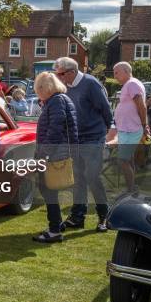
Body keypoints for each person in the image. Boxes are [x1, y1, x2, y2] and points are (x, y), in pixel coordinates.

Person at [54, 57, 112, 232]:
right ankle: (77, 217)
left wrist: (103, 131)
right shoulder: (66, 87)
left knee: (93, 177)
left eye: (61, 74)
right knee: (78, 178)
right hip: (77, 138)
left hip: (94, 137)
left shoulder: (91, 84)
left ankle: (105, 217)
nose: (58, 77)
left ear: (71, 72)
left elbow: (106, 110)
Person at [32, 72, 78, 243]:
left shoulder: (56, 101)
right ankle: (56, 225)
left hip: (55, 153)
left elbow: (54, 131)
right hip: (59, 151)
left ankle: (54, 230)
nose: (38, 94)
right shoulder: (59, 100)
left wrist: (42, 155)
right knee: (50, 190)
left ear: (46, 88)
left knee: (48, 190)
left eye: (39, 90)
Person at [109, 62, 148, 192]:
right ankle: (132, 188)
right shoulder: (130, 84)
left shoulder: (131, 84)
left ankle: (131, 190)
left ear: (126, 71)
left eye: (116, 72)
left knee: (122, 160)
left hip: (131, 129)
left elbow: (141, 106)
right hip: (127, 129)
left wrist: (144, 125)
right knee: (128, 159)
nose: (115, 76)